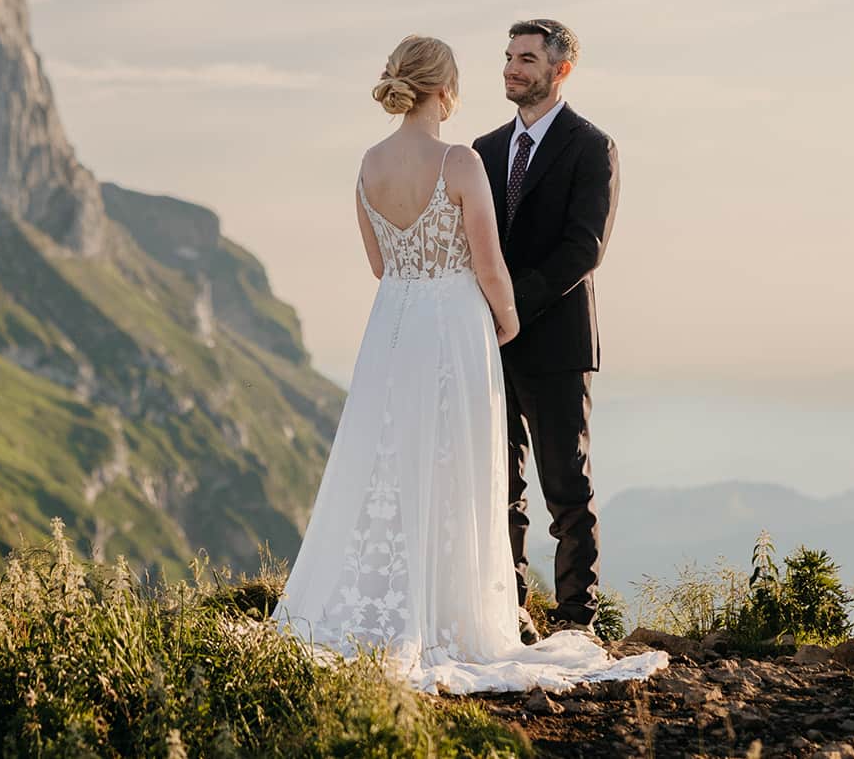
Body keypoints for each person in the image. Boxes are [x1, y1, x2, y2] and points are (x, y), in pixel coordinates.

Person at [268, 34, 663, 694]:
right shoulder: (460, 160)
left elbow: (378, 264)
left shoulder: (368, 163)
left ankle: (384, 606)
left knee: (393, 462)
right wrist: (504, 321)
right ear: (444, 89)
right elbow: (488, 264)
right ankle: (458, 615)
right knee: (460, 469)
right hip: (454, 326)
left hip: (392, 330)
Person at [471, 19, 615, 643]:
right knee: (498, 485)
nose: (511, 67)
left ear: (560, 70)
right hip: (484, 342)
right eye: (508, 56)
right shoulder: (481, 148)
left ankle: (576, 621)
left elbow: (584, 248)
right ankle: (510, 611)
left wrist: (511, 304)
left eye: (526, 58)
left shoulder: (591, 146)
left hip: (554, 343)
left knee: (566, 486)